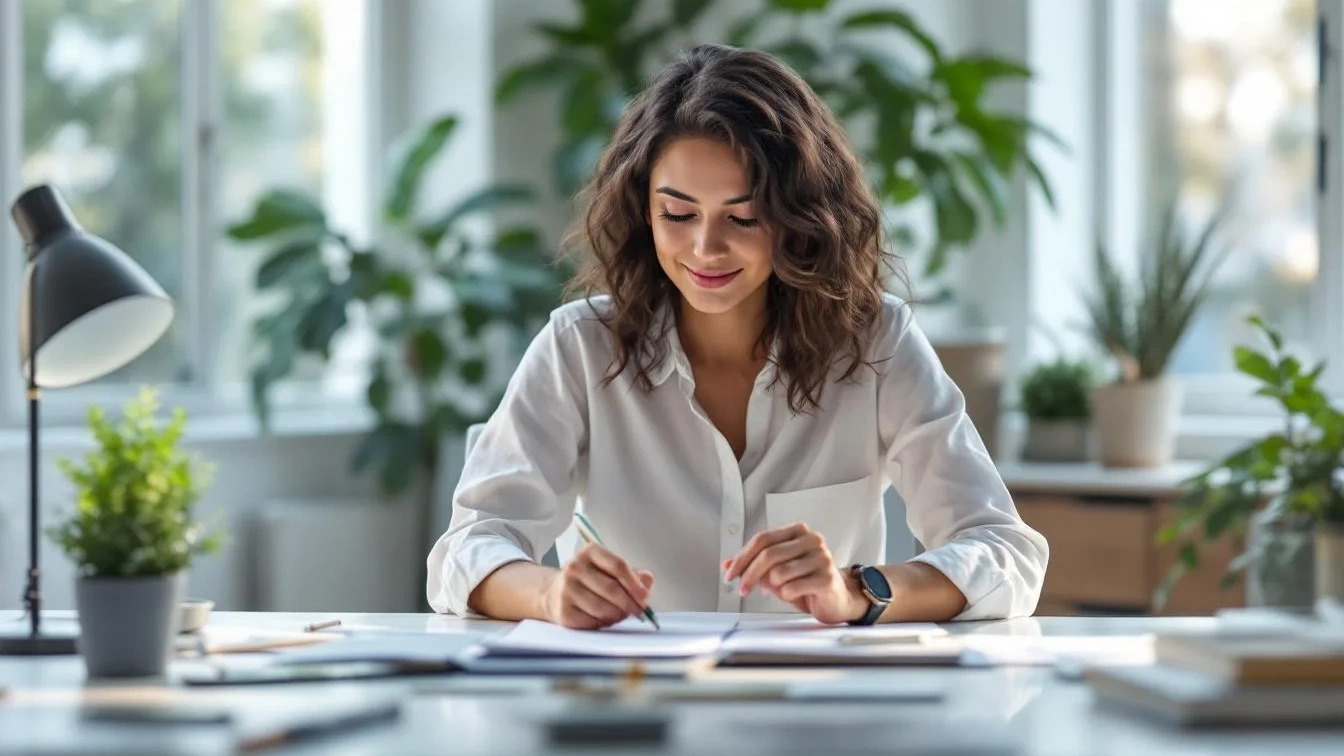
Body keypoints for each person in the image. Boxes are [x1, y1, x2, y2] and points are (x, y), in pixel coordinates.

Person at [427, 44, 1047, 629]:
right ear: (645, 210)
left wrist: (855, 592)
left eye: (743, 217)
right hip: (635, 711)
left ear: (798, 216)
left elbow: (1003, 551)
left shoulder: (876, 340)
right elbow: (466, 549)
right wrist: (550, 593)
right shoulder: (579, 346)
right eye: (678, 214)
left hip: (812, 714)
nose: (706, 248)